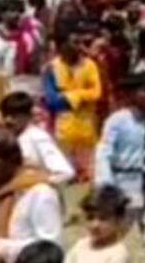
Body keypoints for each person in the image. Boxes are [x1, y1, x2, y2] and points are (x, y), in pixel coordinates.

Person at [93, 72, 145, 259]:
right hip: (125, 185)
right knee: (114, 236)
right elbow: (104, 152)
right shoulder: (118, 121)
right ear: (131, 94)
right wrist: (107, 185)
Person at [0, 128, 63, 261]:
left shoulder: (41, 193)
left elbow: (51, 248)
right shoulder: (0, 192)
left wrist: (0, 248)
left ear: (1, 162)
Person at [48, 26, 102, 182]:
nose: (79, 46)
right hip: (62, 131)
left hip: (87, 129)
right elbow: (53, 101)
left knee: (87, 178)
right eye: (75, 42)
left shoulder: (90, 65)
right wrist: (82, 96)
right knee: (65, 177)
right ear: (63, 44)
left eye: (80, 42)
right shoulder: (52, 68)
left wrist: (71, 97)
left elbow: (97, 93)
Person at [0, 92, 74, 187]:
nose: (8, 120)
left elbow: (65, 172)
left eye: (14, 116)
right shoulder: (7, 138)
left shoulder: (37, 137)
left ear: (28, 115)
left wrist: (35, 182)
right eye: (5, 115)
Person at [65, 185, 130, 263]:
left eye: (103, 218)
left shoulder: (117, 254)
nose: (95, 225)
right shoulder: (80, 245)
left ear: (119, 219)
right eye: (90, 217)